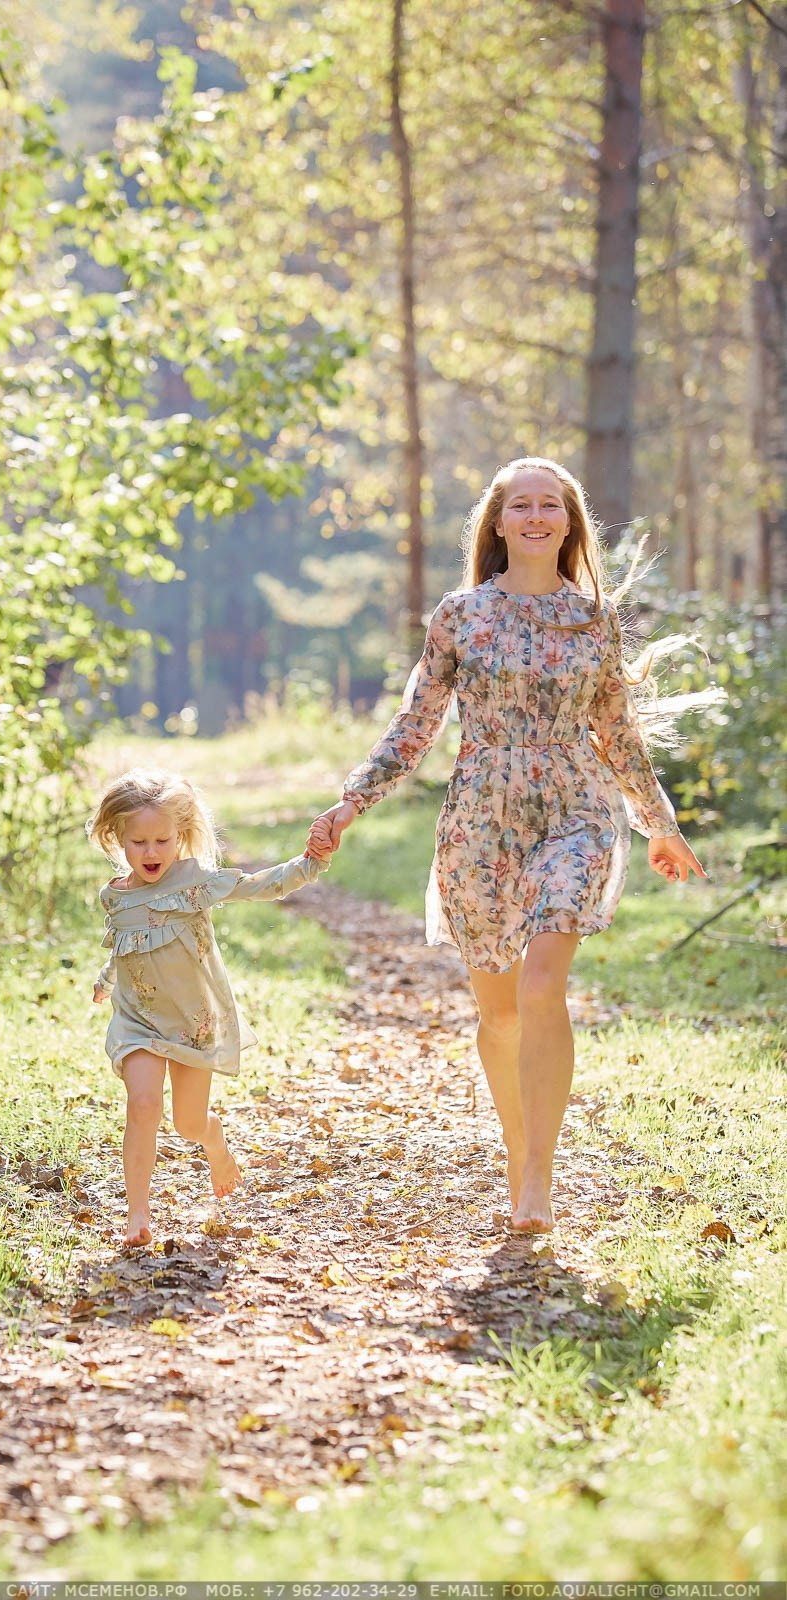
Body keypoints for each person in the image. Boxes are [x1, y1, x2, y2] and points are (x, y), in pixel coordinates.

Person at [307, 457, 705, 1234]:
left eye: (548, 505)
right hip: (480, 817)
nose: (533, 516)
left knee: (539, 985)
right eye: (518, 505)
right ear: (496, 524)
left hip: (575, 809)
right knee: (498, 1011)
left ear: (567, 522)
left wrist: (658, 823)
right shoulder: (460, 615)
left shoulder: (593, 619)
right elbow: (416, 724)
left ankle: (536, 1178)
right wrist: (352, 798)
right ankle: (515, 1146)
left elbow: (615, 733)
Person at [89, 767, 329, 1247]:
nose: (151, 853)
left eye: (162, 840)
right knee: (142, 1103)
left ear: (179, 835)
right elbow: (125, 946)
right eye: (139, 843)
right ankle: (138, 1215)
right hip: (137, 1019)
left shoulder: (194, 880)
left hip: (193, 1023)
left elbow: (260, 885)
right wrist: (105, 980)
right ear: (118, 838)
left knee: (188, 1123)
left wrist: (311, 862)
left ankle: (214, 1143)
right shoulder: (113, 896)